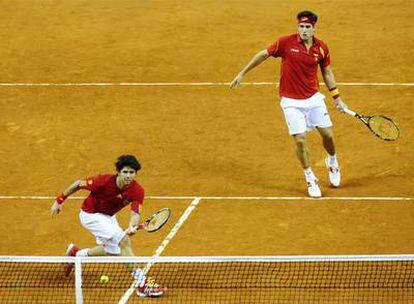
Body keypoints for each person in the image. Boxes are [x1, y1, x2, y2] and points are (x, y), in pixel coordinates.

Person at [230, 10, 348, 197]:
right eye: (301, 26)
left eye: (307, 27)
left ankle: (332, 161)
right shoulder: (286, 43)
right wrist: (242, 73)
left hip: (313, 99)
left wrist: (337, 98)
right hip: (291, 102)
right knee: (300, 140)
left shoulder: (322, 48)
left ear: (314, 28)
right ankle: (310, 177)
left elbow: (327, 72)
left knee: (328, 137)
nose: (303, 30)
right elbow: (263, 54)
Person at [50, 154, 166, 298]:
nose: (128, 176)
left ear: (136, 173)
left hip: (108, 217)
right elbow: (78, 184)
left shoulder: (137, 191)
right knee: (124, 242)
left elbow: (135, 212)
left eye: (132, 172)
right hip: (90, 215)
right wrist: (59, 200)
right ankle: (142, 284)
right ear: (118, 172)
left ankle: (76, 255)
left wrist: (131, 226)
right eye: (125, 172)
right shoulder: (103, 181)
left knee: (115, 251)